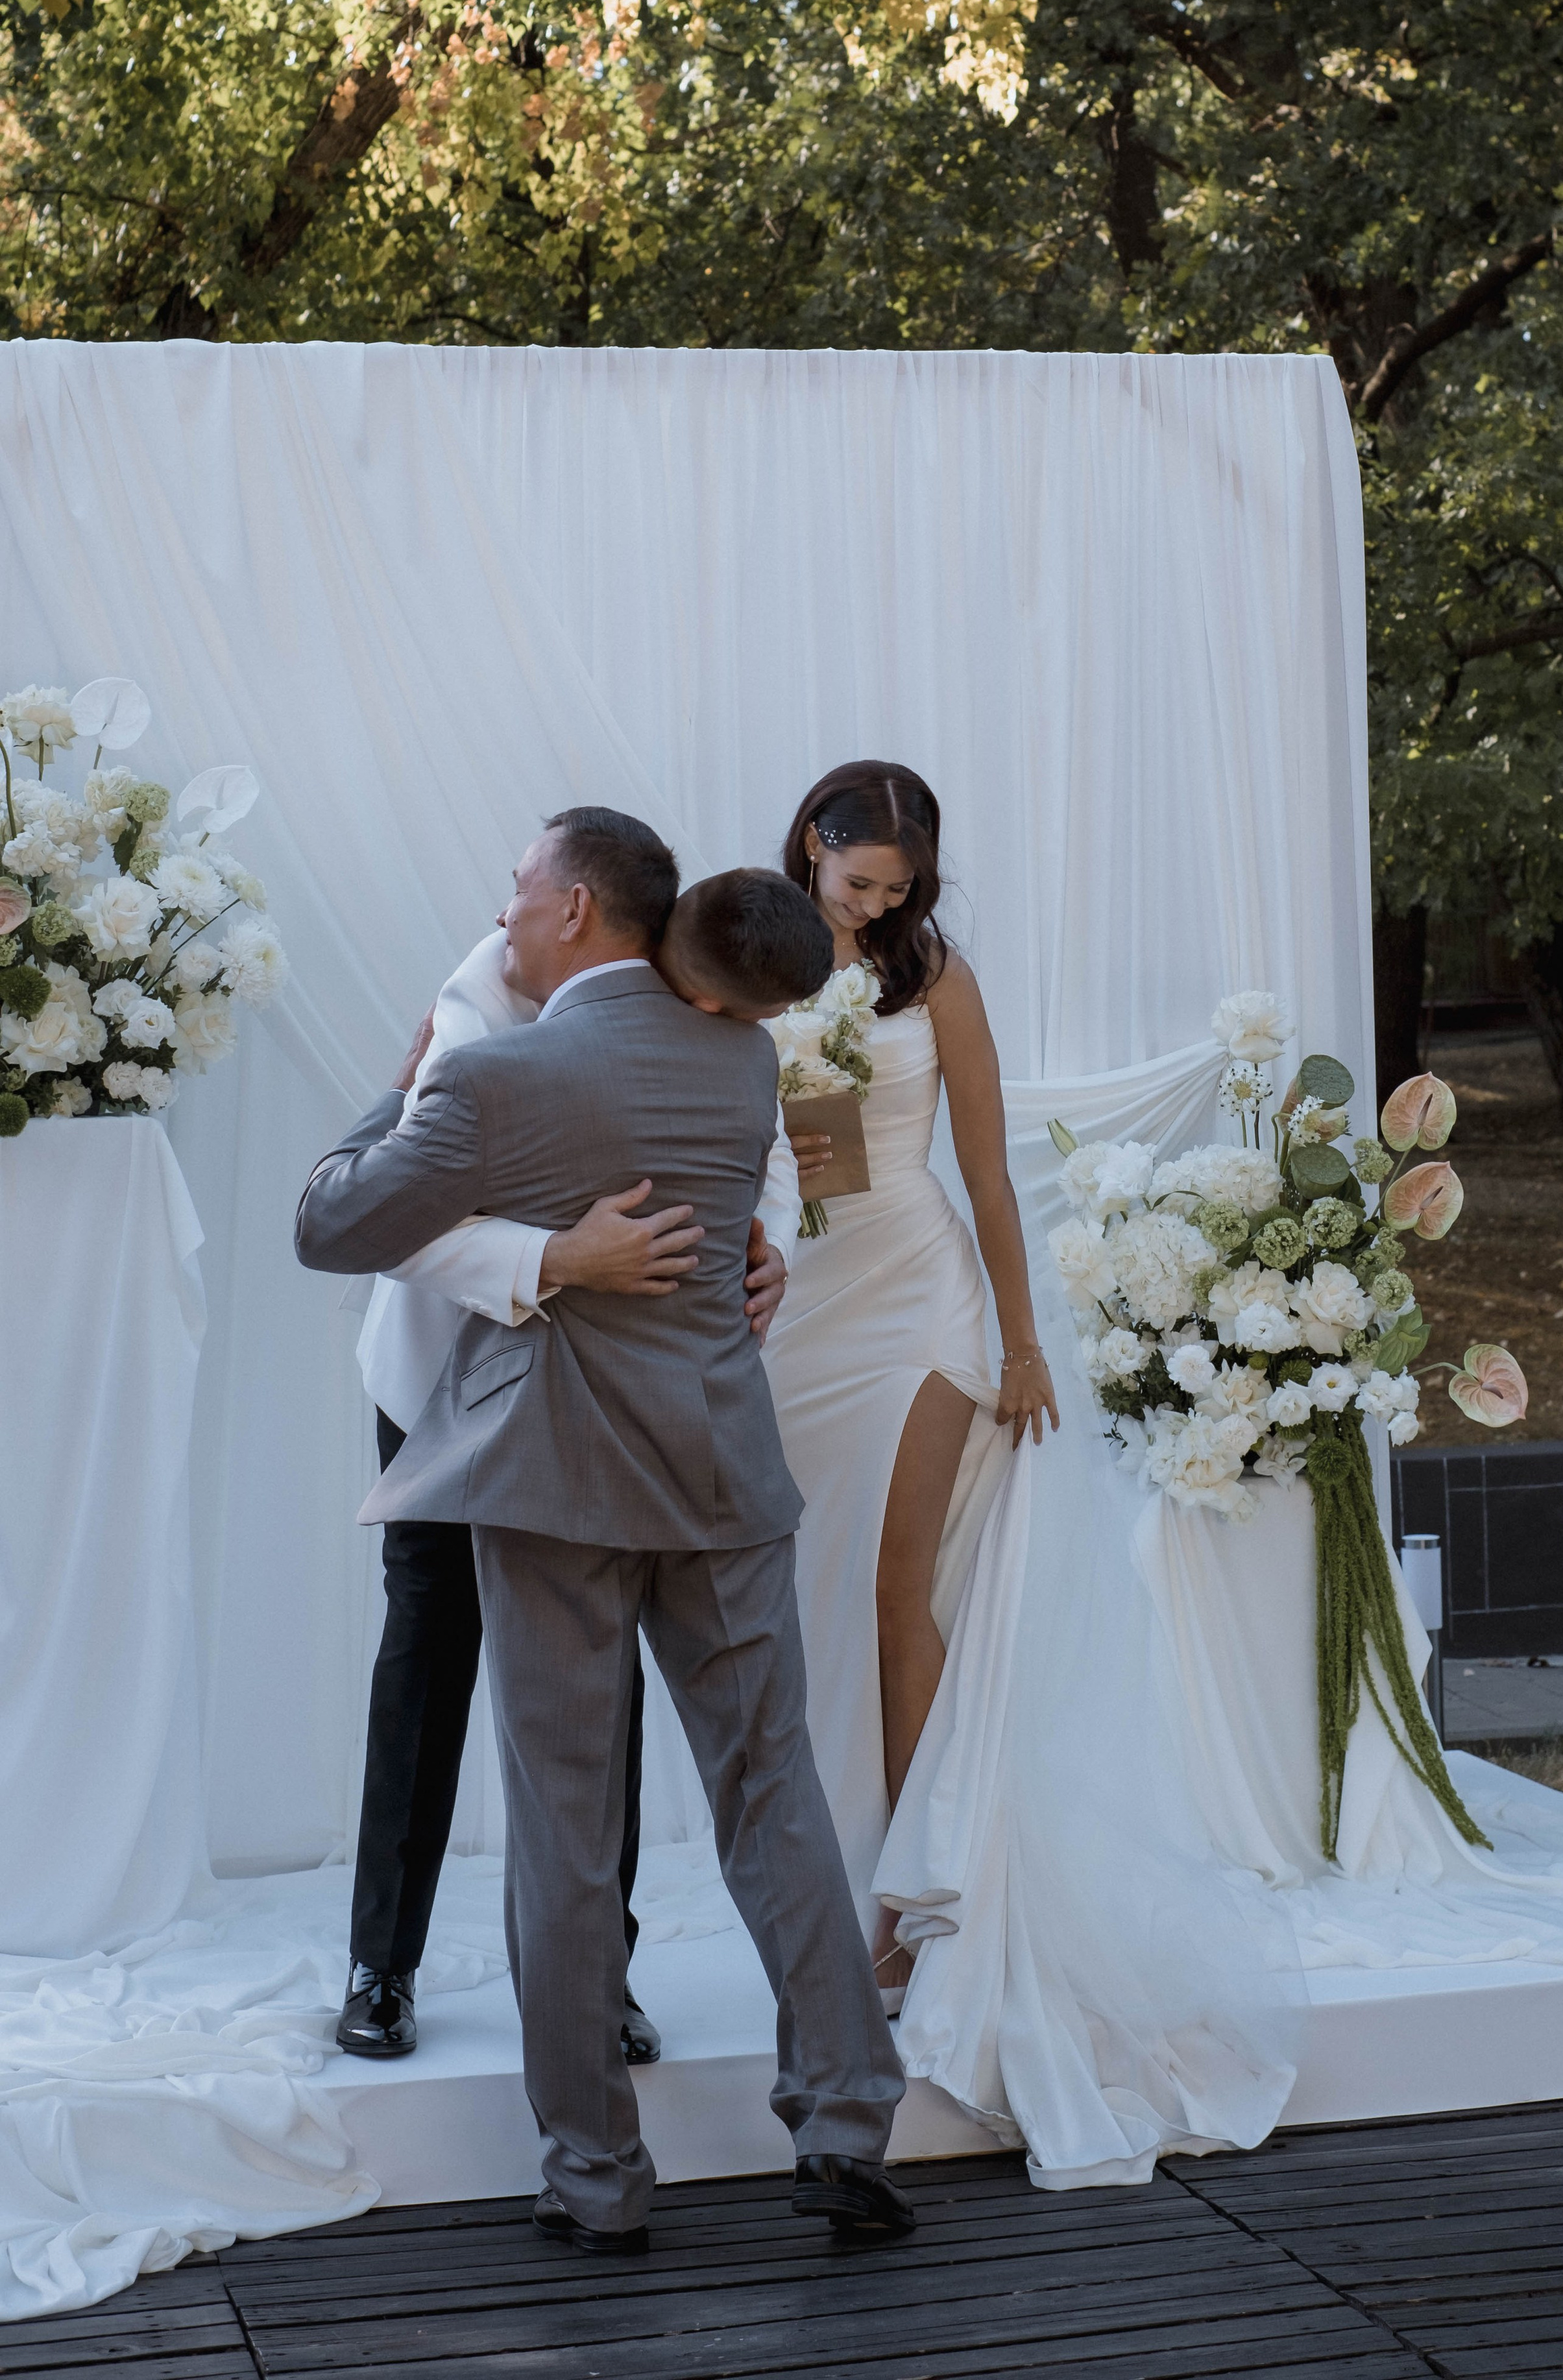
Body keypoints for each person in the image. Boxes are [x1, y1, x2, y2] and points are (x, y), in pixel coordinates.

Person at [295, 810, 912, 2252]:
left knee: (564, 1825)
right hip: (720, 1469)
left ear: (574, 907)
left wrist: (399, 1092)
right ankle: (843, 2120)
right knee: (774, 1792)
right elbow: (749, 1200)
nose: (502, 906)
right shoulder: (741, 1057)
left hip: (554, 1481)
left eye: (519, 885)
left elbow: (330, 1226)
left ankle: (594, 2175)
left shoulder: (492, 1075)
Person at [338, 907, 802, 2065]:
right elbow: (407, 1216)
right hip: (441, 1375)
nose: (505, 915)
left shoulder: (686, 991)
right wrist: (557, 1256)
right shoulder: (480, 999)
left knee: (601, 1682)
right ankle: (381, 1963)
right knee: (428, 1651)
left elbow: (769, 1143)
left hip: (596, 1393)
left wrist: (768, 1242)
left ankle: (602, 1975)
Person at [763, 762, 1059, 2002]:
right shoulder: (744, 952)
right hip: (800, 1298)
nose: (879, 907)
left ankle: (916, 1897)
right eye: (861, 882)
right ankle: (817, 1875)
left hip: (921, 1292)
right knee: (814, 1593)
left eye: (900, 889)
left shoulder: (937, 977)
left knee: (900, 1589)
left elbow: (988, 1174)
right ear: (812, 844)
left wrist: (1022, 1341)